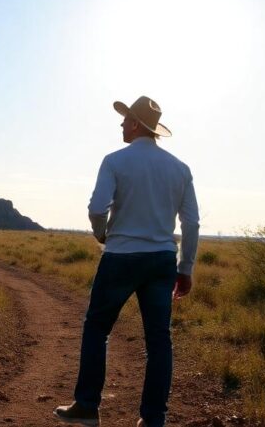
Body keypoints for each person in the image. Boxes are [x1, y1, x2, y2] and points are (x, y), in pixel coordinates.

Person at [54, 96, 200, 427]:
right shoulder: (180, 169)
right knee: (159, 341)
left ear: (135, 124)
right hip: (162, 260)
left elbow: (97, 208)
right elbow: (191, 224)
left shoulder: (114, 161)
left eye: (125, 119)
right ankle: (153, 419)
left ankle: (87, 406)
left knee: (97, 328)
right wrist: (186, 268)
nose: (121, 124)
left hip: (121, 257)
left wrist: (102, 235)